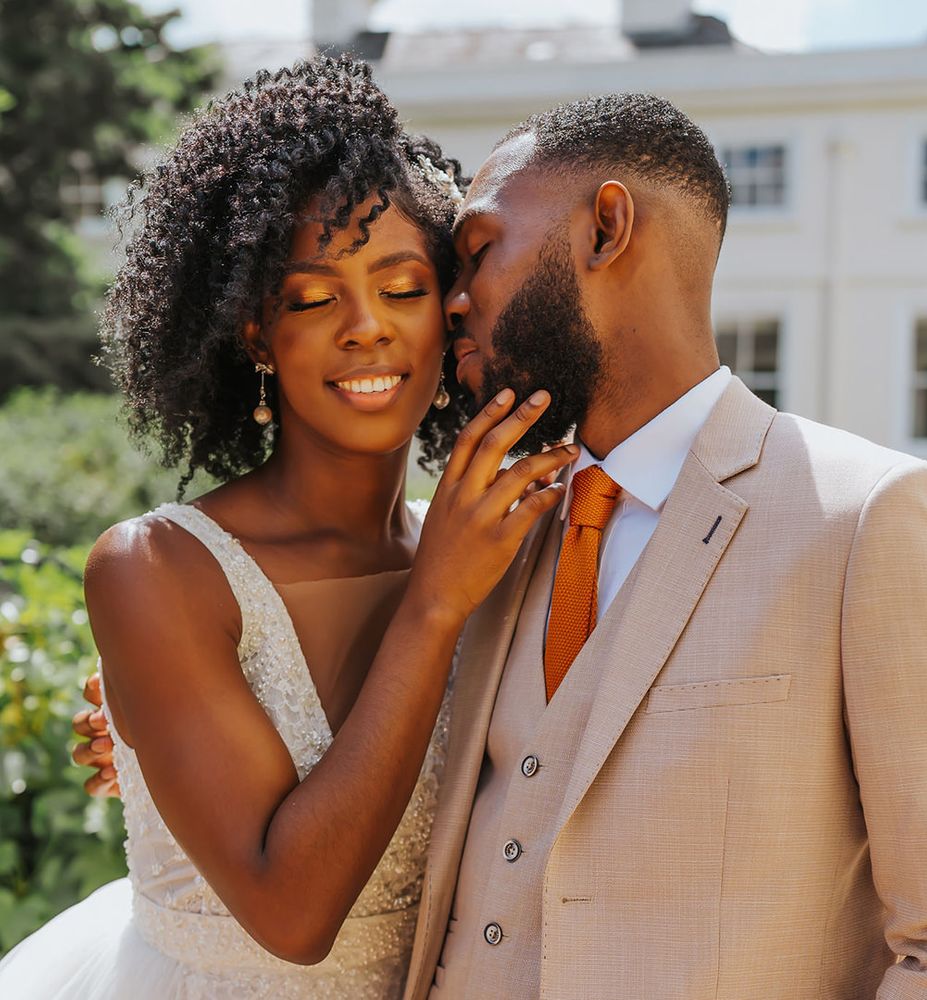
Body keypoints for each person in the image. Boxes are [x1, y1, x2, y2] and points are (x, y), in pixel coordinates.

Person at [81, 93, 927, 997]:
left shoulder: (869, 516)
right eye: (317, 298)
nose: (449, 304)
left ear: (606, 229)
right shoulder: (503, 536)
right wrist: (145, 720)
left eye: (456, 264)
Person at [0, 55, 576, 999]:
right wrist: (430, 607)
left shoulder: (487, 546)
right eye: (313, 299)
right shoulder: (159, 570)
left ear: (450, 314)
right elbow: (293, 916)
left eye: (402, 289)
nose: (367, 329)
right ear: (255, 334)